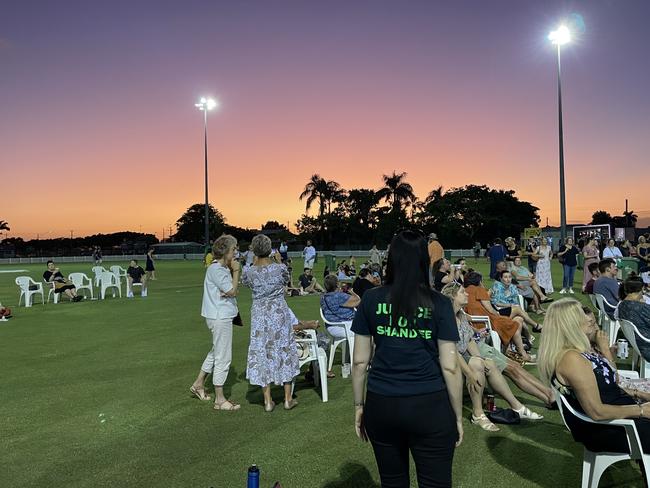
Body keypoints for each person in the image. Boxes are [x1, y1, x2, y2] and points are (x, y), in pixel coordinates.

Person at [351, 230, 463, 488]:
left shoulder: (371, 298)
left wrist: (359, 405)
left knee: (393, 482)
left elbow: (359, 362)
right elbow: (450, 366)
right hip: (429, 406)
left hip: (382, 405)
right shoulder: (439, 303)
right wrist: (457, 416)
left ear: (392, 259)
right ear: (424, 260)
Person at [538, 298, 650, 455]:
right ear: (570, 324)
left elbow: (608, 387)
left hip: (620, 420)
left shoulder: (577, 352)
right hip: (612, 428)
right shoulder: (571, 359)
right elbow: (597, 412)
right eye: (580, 314)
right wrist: (641, 411)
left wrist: (639, 395)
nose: (587, 319)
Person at [445, 286, 543, 432]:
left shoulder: (461, 315)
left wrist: (478, 357)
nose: (467, 294)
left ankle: (517, 406)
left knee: (487, 362)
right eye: (462, 292)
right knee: (478, 364)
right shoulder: (445, 318)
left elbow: (470, 340)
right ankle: (477, 414)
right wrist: (470, 372)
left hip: (461, 355)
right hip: (447, 359)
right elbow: (451, 350)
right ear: (453, 297)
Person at [243, 234, 300, 412]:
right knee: (284, 348)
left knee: (262, 351)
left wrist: (252, 263)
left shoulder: (250, 271)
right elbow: (286, 280)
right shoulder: (280, 268)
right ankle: (288, 398)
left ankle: (267, 401)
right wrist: (279, 260)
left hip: (260, 314)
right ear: (270, 249)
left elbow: (246, 283)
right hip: (278, 313)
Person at [190, 235, 241, 411]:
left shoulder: (219, 268)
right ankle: (219, 399)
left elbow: (231, 291)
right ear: (226, 251)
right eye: (233, 249)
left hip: (218, 315)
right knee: (223, 356)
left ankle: (198, 384)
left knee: (215, 351)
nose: (235, 253)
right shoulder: (218, 270)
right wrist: (236, 271)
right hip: (220, 316)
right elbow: (232, 291)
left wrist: (232, 285)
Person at [464, 271, 534, 363]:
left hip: (474, 322)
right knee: (514, 324)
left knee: (512, 321)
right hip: (486, 321)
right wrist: (497, 315)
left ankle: (512, 351)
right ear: (479, 281)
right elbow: (490, 309)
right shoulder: (479, 290)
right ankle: (521, 353)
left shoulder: (465, 290)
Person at [618, 277, 650, 361]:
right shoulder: (641, 308)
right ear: (642, 288)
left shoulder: (621, 305)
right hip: (646, 346)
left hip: (638, 343)